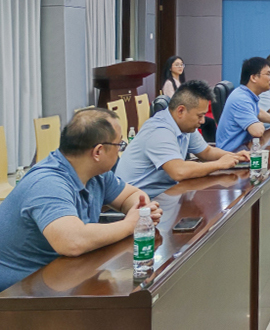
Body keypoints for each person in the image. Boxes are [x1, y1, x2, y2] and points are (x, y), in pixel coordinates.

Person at [0, 108, 162, 291]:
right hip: (16, 293)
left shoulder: (97, 174)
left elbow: (132, 196)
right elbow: (72, 242)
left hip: (59, 278)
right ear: (98, 152)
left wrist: (142, 210)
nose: (120, 151)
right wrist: (130, 224)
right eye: (119, 145)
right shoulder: (48, 183)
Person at [115, 80, 250, 198]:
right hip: (136, 202)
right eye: (199, 116)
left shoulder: (185, 126)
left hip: (163, 195)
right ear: (181, 111)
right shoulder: (159, 130)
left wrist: (234, 157)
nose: (203, 121)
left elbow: (206, 152)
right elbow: (179, 171)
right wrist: (219, 164)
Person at [217, 57, 270, 151]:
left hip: (245, 149)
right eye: (268, 74)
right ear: (253, 78)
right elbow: (257, 132)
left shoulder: (247, 94)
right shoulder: (241, 99)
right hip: (233, 154)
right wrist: (259, 123)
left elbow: (259, 112)